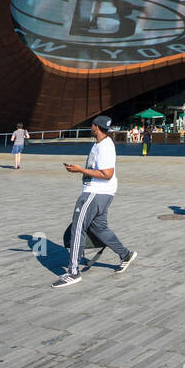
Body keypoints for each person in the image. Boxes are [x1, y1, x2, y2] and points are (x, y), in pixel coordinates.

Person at [54, 116, 137, 288]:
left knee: (78, 228)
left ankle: (73, 271)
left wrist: (79, 170)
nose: (91, 127)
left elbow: (107, 174)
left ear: (96, 127)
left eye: (92, 125)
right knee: (99, 228)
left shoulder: (105, 146)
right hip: (102, 193)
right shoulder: (99, 144)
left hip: (95, 192)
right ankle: (125, 254)